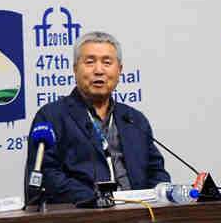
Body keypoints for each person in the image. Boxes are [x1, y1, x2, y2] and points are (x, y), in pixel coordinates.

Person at [25, 31, 170, 204]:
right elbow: (46, 174)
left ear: (119, 70)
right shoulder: (51, 116)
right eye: (90, 62)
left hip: (138, 214)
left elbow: (156, 170)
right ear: (75, 69)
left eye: (107, 62)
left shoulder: (134, 119)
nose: (99, 70)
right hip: (83, 215)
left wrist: (155, 198)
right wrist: (92, 200)